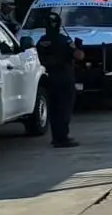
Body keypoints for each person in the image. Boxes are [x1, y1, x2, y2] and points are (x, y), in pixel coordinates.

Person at [33, 12, 83, 149]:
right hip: (64, 78)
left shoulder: (41, 42)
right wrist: (79, 46)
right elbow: (79, 56)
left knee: (54, 110)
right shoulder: (65, 40)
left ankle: (56, 137)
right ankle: (63, 138)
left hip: (49, 78)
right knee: (65, 109)